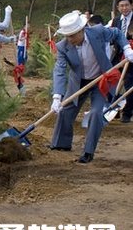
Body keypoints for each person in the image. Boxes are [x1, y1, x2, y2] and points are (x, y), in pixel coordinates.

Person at [49, 11, 133, 163]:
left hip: (101, 80)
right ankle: (61, 144)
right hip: (79, 81)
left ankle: (88, 151)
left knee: (95, 113)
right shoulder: (63, 46)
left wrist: (127, 48)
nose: (69, 39)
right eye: (67, 35)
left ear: (82, 30)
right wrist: (57, 96)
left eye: (73, 35)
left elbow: (117, 34)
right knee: (65, 109)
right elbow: (59, 70)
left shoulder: (98, 32)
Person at [110, 0, 133, 123]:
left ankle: (127, 113)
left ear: (131, 6)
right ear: (118, 8)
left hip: (131, 58)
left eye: (126, 5)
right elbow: (112, 39)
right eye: (121, 6)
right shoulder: (116, 21)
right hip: (118, 57)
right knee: (113, 83)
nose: (124, 8)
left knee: (129, 84)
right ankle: (114, 109)